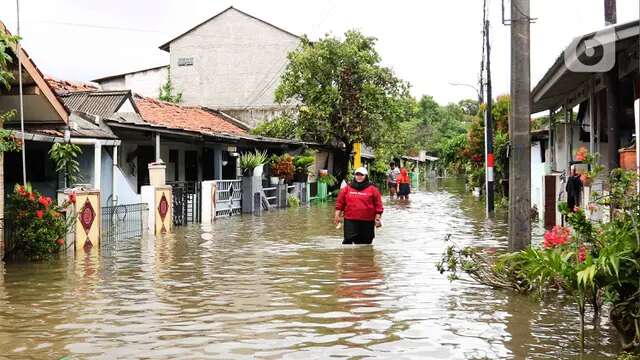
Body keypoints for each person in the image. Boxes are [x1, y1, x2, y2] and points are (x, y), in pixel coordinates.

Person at [334, 167, 383, 244]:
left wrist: (378, 217)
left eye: (361, 175)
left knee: (366, 243)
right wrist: (337, 215)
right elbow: (340, 203)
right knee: (348, 242)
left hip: (367, 221)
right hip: (350, 220)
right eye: (357, 174)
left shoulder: (373, 189)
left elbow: (378, 205)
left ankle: (363, 256)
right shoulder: (347, 188)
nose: (359, 177)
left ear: (366, 176)